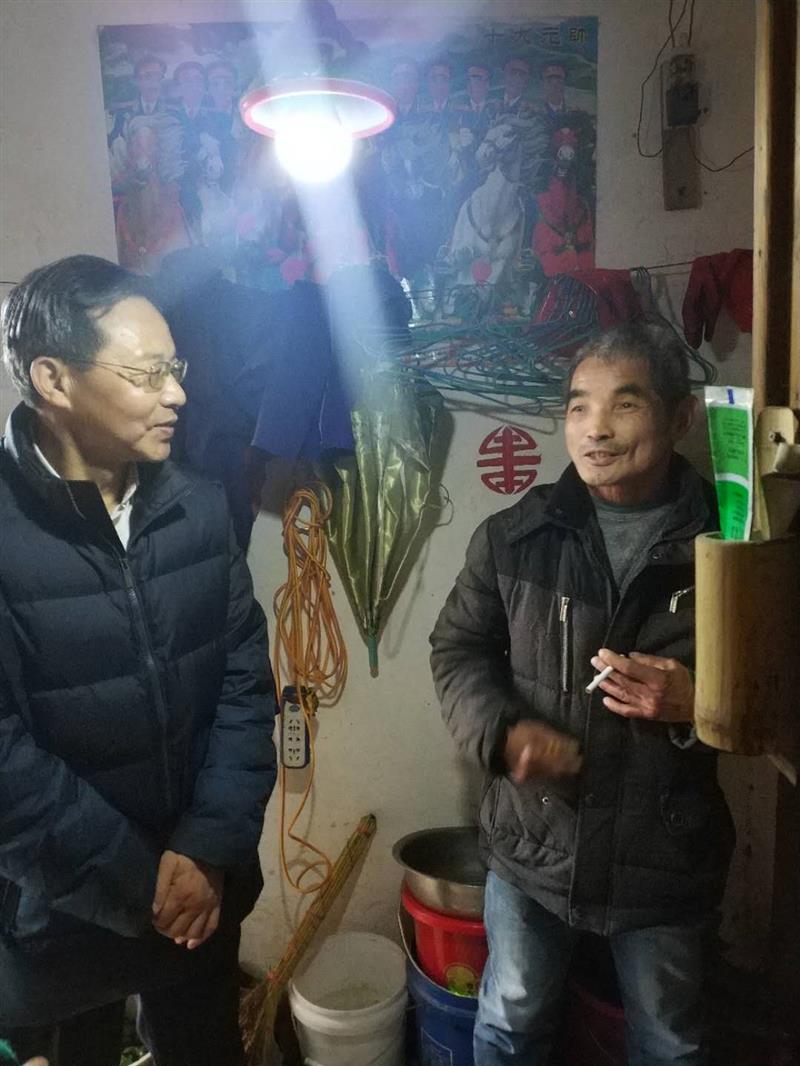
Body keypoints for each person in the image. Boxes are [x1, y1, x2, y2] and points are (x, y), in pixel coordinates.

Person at [430, 323, 735, 1065]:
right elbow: (458, 649)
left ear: (680, 417)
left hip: (664, 855)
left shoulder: (731, 549)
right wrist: (503, 733)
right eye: (577, 407)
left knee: (670, 1043)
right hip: (534, 845)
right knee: (509, 1022)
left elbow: (776, 687)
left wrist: (700, 701)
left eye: (624, 404)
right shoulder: (515, 537)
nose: (595, 428)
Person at [0, 256, 277, 1066]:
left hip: (203, 898)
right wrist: (141, 881)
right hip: (58, 916)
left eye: (175, 368)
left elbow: (244, 683)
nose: (177, 393)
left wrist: (208, 849)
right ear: (54, 379)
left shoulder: (196, 504)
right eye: (147, 373)